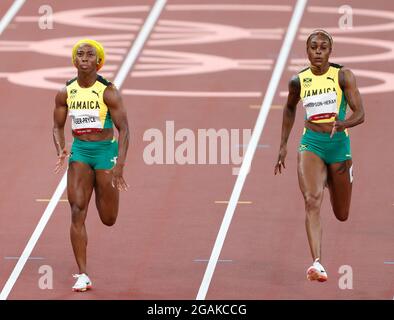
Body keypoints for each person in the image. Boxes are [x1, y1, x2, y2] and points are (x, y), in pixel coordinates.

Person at [274, 30, 365, 282]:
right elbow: (290, 108)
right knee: (312, 200)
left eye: (323, 47)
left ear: (330, 52)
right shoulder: (299, 81)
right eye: (313, 47)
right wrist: (283, 146)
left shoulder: (343, 76)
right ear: (307, 51)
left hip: (338, 146)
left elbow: (361, 113)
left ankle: (336, 175)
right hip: (311, 144)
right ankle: (317, 263)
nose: (318, 51)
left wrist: (344, 123)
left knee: (342, 213)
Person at [53, 39, 130, 292]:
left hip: (105, 153)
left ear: (98, 61)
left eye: (89, 55)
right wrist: (61, 149)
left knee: (109, 218)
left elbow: (125, 129)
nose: (84, 58)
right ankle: (82, 274)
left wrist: (119, 165)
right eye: (80, 54)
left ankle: (101, 189)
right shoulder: (66, 92)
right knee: (76, 209)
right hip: (80, 153)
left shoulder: (108, 91)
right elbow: (57, 125)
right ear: (74, 61)